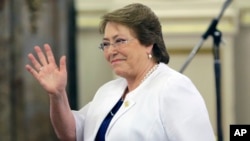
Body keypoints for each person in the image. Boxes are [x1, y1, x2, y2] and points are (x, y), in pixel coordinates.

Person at [25, 3, 216, 141]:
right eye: (106, 44)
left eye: (120, 41)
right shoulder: (108, 91)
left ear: (148, 43)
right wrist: (58, 95)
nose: (111, 51)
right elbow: (72, 133)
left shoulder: (173, 88)